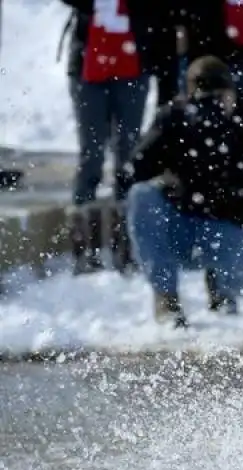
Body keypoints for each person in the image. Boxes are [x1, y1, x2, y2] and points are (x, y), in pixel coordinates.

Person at [126, 57, 243, 327]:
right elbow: (136, 168)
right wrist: (174, 133)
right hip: (181, 224)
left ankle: (221, 287)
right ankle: (166, 296)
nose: (213, 103)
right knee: (142, 195)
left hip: (226, 226)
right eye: (206, 95)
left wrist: (231, 129)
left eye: (219, 95)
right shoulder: (175, 118)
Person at [59, 0, 151, 275]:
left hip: (133, 59)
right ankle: (84, 247)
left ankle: (127, 243)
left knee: (129, 152)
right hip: (88, 61)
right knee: (91, 151)